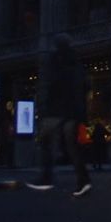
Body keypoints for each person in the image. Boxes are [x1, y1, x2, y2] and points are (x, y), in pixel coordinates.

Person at [28, 35, 91, 196]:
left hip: (58, 109)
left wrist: (45, 107)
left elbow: (52, 86)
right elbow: (85, 87)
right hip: (74, 110)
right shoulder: (77, 63)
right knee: (72, 147)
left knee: (46, 140)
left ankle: (46, 177)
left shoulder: (56, 61)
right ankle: (83, 180)